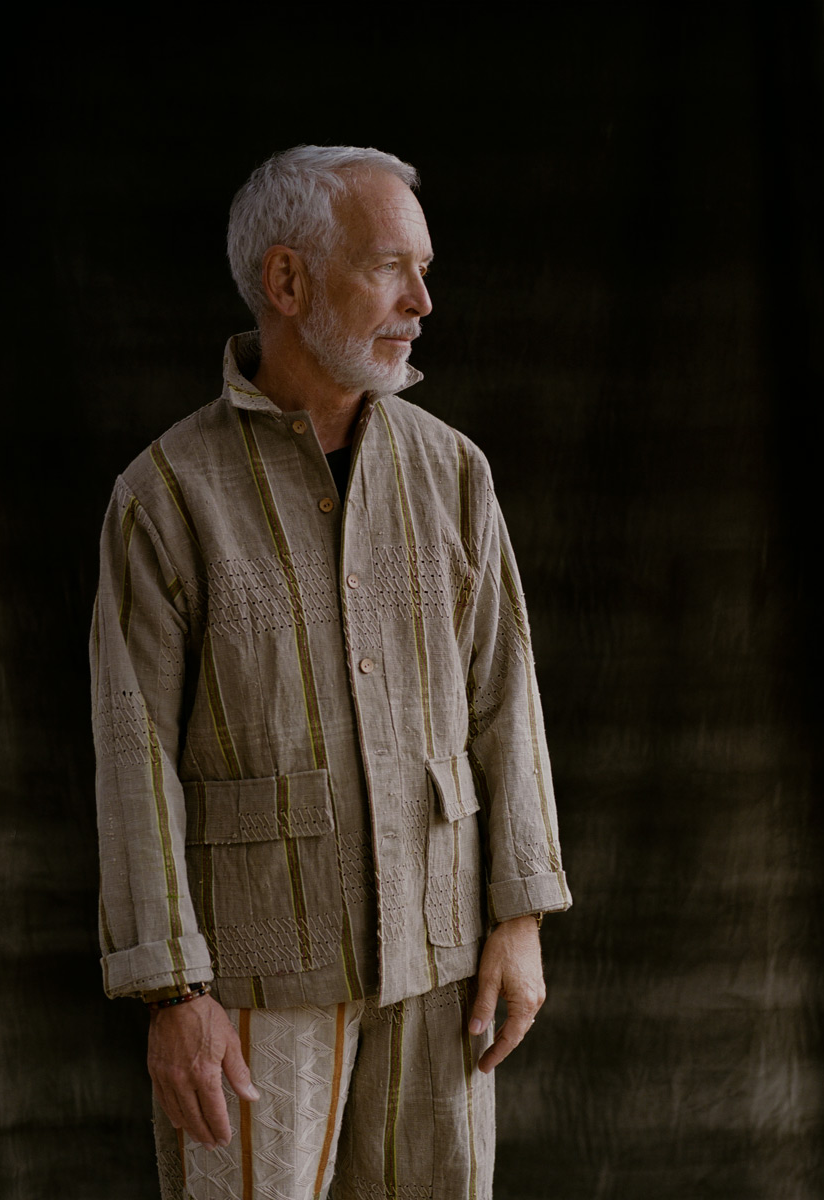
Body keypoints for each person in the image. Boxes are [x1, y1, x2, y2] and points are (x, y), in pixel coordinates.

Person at [90, 144, 571, 1200]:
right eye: (391, 267)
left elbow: (506, 697)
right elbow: (133, 756)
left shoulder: (452, 471)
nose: (422, 301)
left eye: (426, 269)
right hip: (254, 982)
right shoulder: (166, 494)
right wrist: (175, 992)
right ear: (288, 281)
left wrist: (518, 918)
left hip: (443, 965)